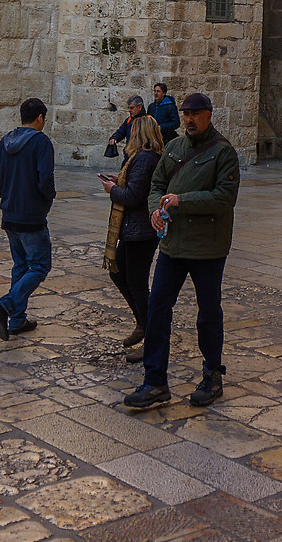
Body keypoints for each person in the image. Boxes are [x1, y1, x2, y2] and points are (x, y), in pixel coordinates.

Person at [125, 91, 239, 413]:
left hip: (207, 247)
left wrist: (181, 201)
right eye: (185, 114)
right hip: (173, 245)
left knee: (208, 312)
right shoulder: (173, 148)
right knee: (158, 306)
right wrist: (153, 211)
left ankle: (212, 374)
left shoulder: (223, 153)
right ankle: (155, 381)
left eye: (195, 114)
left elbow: (224, 197)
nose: (188, 119)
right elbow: (157, 185)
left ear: (208, 115)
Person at [0, 98, 55, 341]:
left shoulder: (5, 141)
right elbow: (45, 179)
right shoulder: (40, 142)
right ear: (39, 118)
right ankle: (6, 306)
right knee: (39, 266)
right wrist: (46, 201)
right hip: (31, 215)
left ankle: (17, 320)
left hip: (10, 214)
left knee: (21, 265)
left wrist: (9, 197)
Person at [99, 112, 165, 354]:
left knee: (136, 282)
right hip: (134, 230)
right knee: (119, 273)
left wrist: (112, 189)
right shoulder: (144, 158)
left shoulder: (144, 159)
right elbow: (138, 186)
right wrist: (119, 181)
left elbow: (134, 196)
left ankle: (149, 331)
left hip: (141, 231)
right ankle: (142, 323)